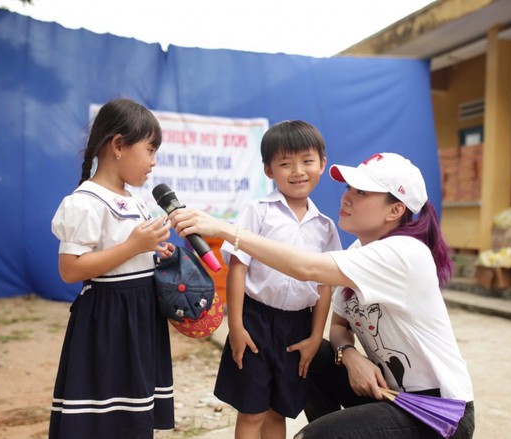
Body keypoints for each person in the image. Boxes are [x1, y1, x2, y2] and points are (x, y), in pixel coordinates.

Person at [170, 152, 475, 438]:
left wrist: (227, 230)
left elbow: (306, 268)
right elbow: (340, 326)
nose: (347, 197)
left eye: (362, 193)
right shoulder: (357, 252)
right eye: (349, 188)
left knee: (314, 437)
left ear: (395, 210)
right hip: (385, 394)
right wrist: (350, 355)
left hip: (438, 412)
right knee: (308, 349)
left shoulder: (404, 252)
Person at [49, 98, 176, 439]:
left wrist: (152, 252)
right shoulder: (85, 201)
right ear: (118, 145)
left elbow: (127, 253)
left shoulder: (135, 199)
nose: (153, 162)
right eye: (150, 150)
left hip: (140, 317)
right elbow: (70, 269)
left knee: (134, 417)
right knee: (103, 418)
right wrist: (132, 247)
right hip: (108, 321)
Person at [215, 120, 342, 439]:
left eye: (307, 161)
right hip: (255, 322)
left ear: (322, 164)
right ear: (269, 170)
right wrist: (237, 326)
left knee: (278, 409)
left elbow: (325, 285)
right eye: (285, 163)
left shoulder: (324, 227)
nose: (297, 171)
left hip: (298, 327)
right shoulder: (257, 212)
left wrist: (315, 337)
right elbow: (238, 267)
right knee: (252, 410)